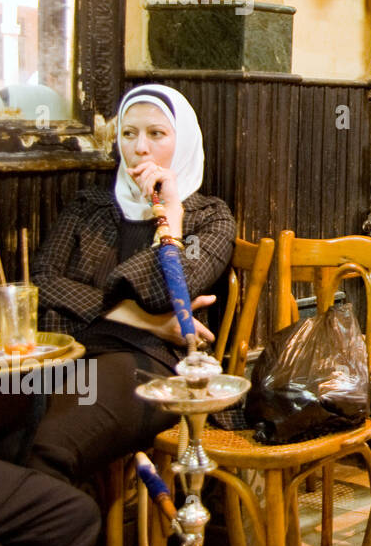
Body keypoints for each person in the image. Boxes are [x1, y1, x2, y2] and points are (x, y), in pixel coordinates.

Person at [24, 84, 235, 484]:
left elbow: (166, 289)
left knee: (49, 450)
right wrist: (147, 320)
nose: (140, 148)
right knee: (9, 434)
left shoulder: (210, 218)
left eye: (156, 134)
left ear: (184, 141)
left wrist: (170, 210)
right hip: (72, 350)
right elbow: (43, 283)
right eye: (128, 133)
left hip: (152, 365)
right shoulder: (90, 206)